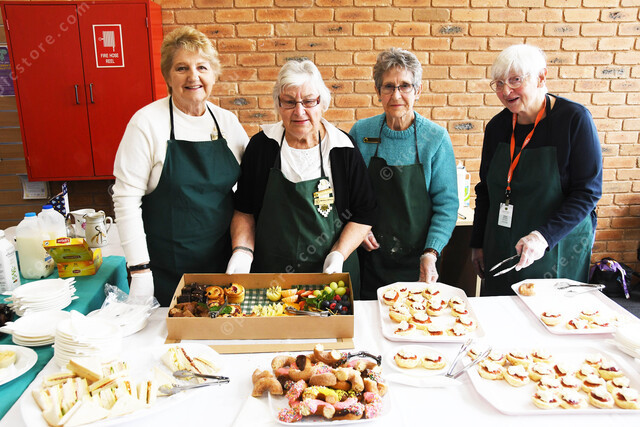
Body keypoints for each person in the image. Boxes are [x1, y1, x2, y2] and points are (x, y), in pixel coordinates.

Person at [112, 27, 249, 305]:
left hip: (223, 265)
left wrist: (243, 250)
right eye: (182, 68)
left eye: (202, 67)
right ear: (168, 76)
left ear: (214, 74)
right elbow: (126, 200)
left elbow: (249, 191)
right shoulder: (146, 123)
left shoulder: (227, 122)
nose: (193, 76)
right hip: (165, 270)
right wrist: (140, 270)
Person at [227, 60, 377, 298]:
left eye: (308, 101)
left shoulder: (343, 149)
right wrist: (242, 252)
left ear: (322, 103)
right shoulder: (262, 147)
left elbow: (364, 214)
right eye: (289, 101)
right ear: (278, 104)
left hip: (330, 278)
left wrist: (338, 254)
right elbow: (244, 210)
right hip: (272, 278)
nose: (299, 111)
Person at [471, 44, 602, 296]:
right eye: (499, 83)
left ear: (541, 77)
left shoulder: (574, 120)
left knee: (549, 313)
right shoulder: (497, 127)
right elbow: (485, 190)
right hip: (502, 244)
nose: (505, 91)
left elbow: (587, 193)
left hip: (555, 247)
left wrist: (543, 237)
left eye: (515, 80)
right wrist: (478, 242)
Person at [349, 48, 458, 300]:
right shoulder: (361, 133)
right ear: (378, 92)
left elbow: (447, 205)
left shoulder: (436, 138)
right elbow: (349, 193)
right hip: (370, 257)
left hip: (419, 262)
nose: (396, 95)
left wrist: (431, 252)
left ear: (417, 91)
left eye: (405, 86)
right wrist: (359, 229)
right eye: (388, 87)